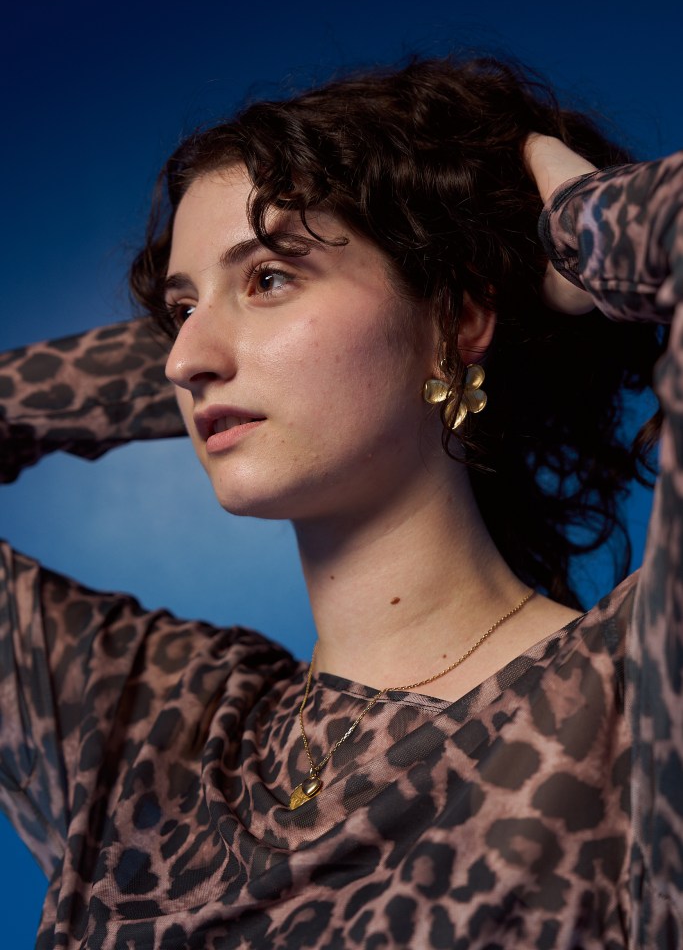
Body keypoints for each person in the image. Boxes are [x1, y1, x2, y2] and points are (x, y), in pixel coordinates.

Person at [0, 56, 680, 949]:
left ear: (457, 316)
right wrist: (241, 342)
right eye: (179, 310)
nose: (182, 361)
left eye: (269, 278)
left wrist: (579, 228)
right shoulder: (145, 733)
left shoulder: (625, 698)